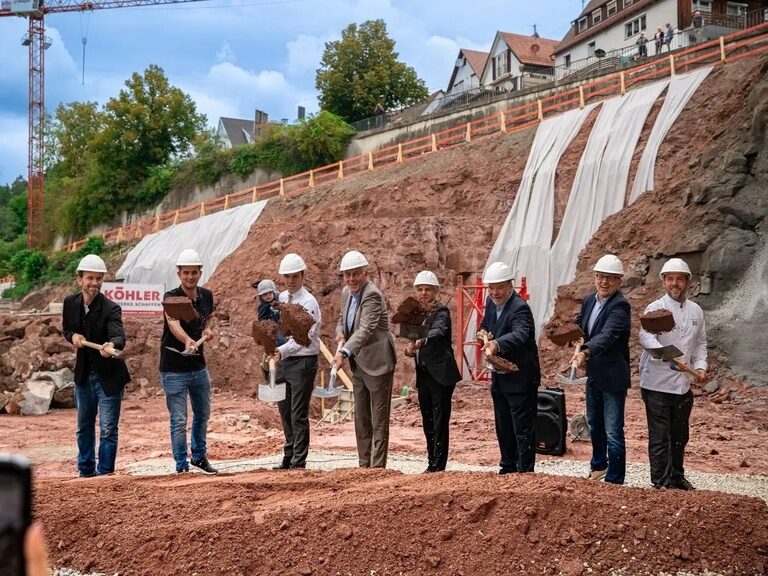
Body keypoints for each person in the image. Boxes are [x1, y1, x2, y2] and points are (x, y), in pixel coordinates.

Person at [639, 258, 708, 490]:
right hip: (657, 385)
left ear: (688, 281)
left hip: (683, 386)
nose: (675, 284)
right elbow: (646, 337)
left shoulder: (696, 311)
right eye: (670, 279)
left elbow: (700, 344)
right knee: (660, 438)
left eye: (680, 279)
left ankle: (677, 477)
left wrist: (700, 367)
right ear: (664, 282)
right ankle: (660, 483)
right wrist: (665, 354)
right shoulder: (655, 309)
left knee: (680, 437)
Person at [62, 254, 131, 477]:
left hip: (109, 377)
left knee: (108, 429)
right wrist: (72, 336)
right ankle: (85, 472)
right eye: (90, 278)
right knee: (84, 428)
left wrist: (111, 345)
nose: (95, 283)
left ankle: (105, 475)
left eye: (99, 279)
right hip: (84, 377)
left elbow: (118, 335)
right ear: (79, 279)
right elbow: (67, 330)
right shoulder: (70, 304)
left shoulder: (111, 308)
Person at [333, 250, 396, 468]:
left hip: (378, 363)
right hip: (358, 362)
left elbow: (365, 329)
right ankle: (363, 466)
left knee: (378, 420)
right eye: (347, 274)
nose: (351, 279)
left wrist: (342, 353)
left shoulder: (372, 295)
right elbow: (343, 319)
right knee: (361, 417)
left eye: (355, 274)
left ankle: (377, 469)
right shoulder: (345, 293)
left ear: (364, 273)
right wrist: (340, 333)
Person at [477, 262, 540, 475]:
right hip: (500, 377)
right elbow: (486, 323)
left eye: (499, 287)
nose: (494, 292)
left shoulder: (520, 308)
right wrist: (483, 332)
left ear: (510, 286)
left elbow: (520, 334)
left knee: (522, 427)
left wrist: (496, 344)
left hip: (520, 377)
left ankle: (524, 471)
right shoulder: (491, 302)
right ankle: (507, 467)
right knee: (503, 426)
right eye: (491, 288)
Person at [575, 254, 631, 485]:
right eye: (600, 277)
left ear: (618, 282)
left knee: (613, 430)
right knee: (595, 425)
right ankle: (598, 466)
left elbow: (607, 336)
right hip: (594, 375)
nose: (604, 282)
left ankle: (616, 478)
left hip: (613, 377)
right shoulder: (589, 300)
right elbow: (580, 323)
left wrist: (585, 351)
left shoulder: (621, 306)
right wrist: (572, 336)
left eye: (610, 278)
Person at [160, 248, 217, 475]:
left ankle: (199, 457)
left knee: (202, 414)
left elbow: (208, 318)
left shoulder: (207, 295)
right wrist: (187, 340)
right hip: (173, 367)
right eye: (186, 273)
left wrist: (209, 329)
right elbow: (173, 323)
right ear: (179, 274)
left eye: (194, 273)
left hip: (198, 366)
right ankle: (181, 466)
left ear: (200, 273)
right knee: (179, 419)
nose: (190, 277)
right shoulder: (171, 298)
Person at [403, 271, 462, 473]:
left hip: (441, 374)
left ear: (435, 291)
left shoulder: (441, 311)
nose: (423, 293)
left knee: (439, 421)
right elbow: (409, 344)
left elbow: (438, 331)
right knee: (427, 419)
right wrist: (409, 350)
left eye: (428, 289)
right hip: (425, 374)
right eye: (420, 289)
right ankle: (431, 463)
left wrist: (422, 340)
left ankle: (438, 466)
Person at [271, 253, 321, 470]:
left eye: (294, 276)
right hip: (284, 360)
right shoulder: (282, 299)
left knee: (298, 412)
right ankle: (288, 455)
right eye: (286, 276)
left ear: (302, 275)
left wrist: (279, 351)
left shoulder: (309, 303)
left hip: (302, 361)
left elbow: (302, 338)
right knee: (284, 410)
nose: (290, 281)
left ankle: (298, 461)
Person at [255, 279, 287, 383]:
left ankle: (268, 366)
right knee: (279, 346)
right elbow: (262, 321)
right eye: (264, 294)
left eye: (270, 293)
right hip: (271, 330)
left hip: (281, 327)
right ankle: (267, 369)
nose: (268, 296)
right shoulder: (263, 307)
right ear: (261, 296)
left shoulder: (279, 300)